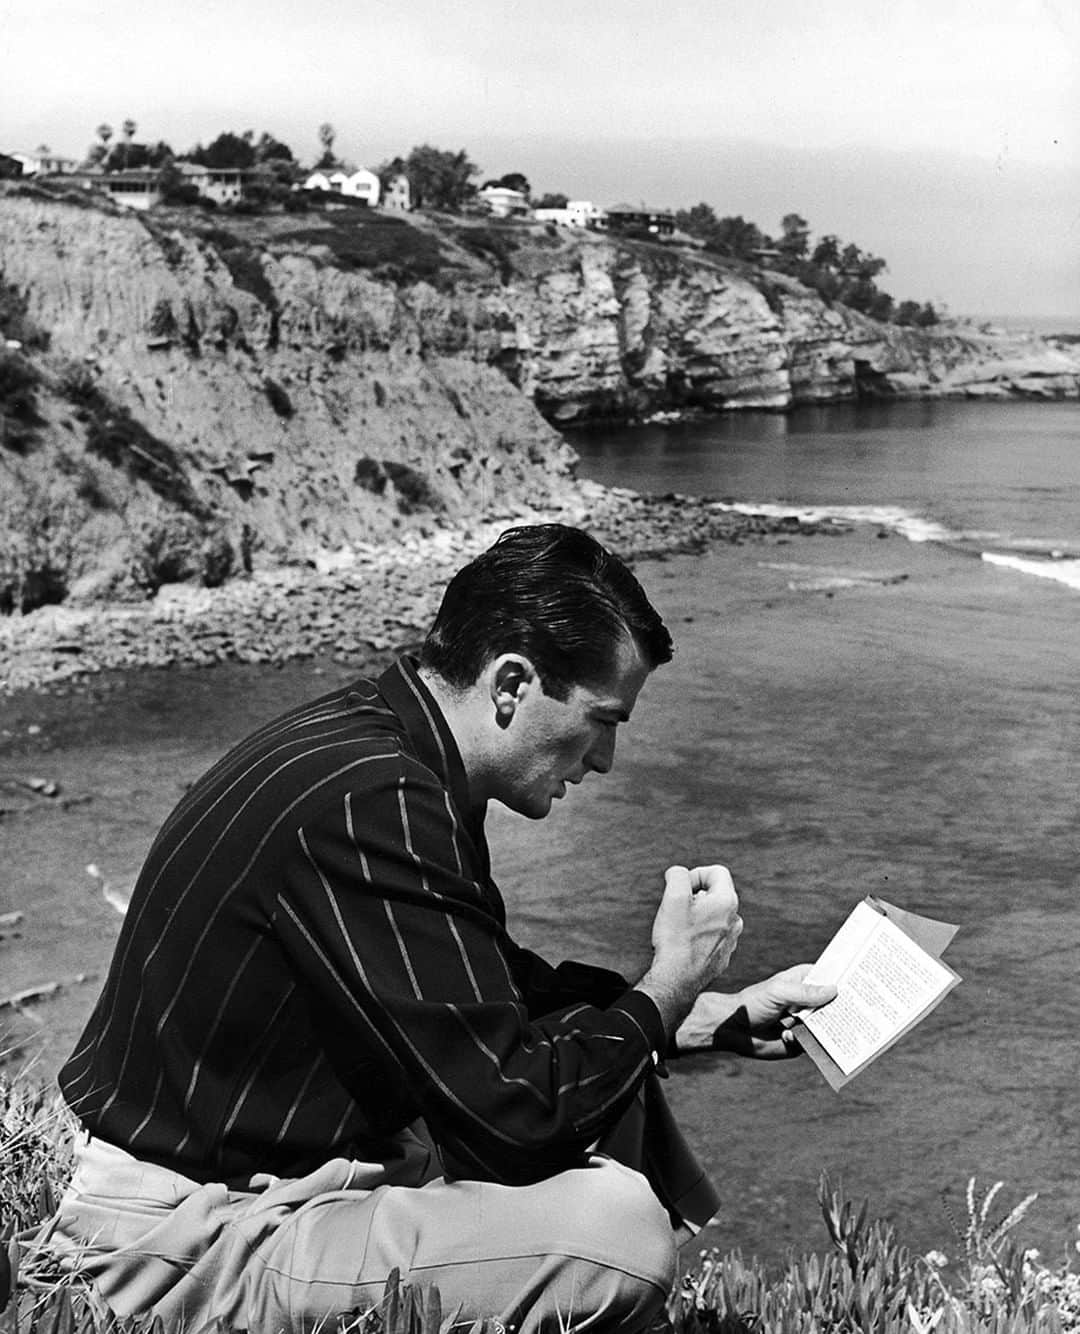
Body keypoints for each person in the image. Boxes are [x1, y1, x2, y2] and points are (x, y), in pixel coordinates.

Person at [45, 523, 834, 1334]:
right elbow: (515, 1123)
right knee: (618, 1234)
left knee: (604, 1060)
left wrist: (709, 1015)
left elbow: (475, 992)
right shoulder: (378, 803)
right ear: (511, 684)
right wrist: (670, 981)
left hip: (257, 1176)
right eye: (604, 721)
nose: (602, 761)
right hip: (186, 1238)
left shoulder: (388, 750)